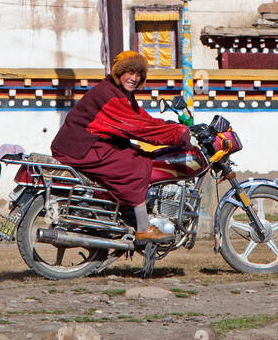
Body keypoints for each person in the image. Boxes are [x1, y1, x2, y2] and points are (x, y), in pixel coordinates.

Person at [51, 50, 195, 243]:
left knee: (138, 154)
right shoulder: (108, 95)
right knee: (136, 165)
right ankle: (143, 228)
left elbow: (142, 118)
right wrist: (176, 133)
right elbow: (138, 127)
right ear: (119, 72)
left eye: (138, 74)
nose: (134, 78)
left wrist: (171, 126)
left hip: (91, 144)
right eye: (129, 72)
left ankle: (132, 215)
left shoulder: (120, 93)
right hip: (80, 148)